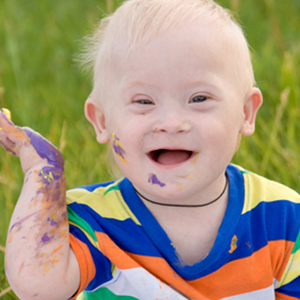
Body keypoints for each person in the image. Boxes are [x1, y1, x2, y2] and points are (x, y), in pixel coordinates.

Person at [1, 0, 300, 299]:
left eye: (198, 99)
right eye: (144, 102)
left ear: (246, 113)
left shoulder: (282, 217)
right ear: (102, 121)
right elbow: (37, 286)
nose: (171, 123)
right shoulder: (94, 221)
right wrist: (43, 174)